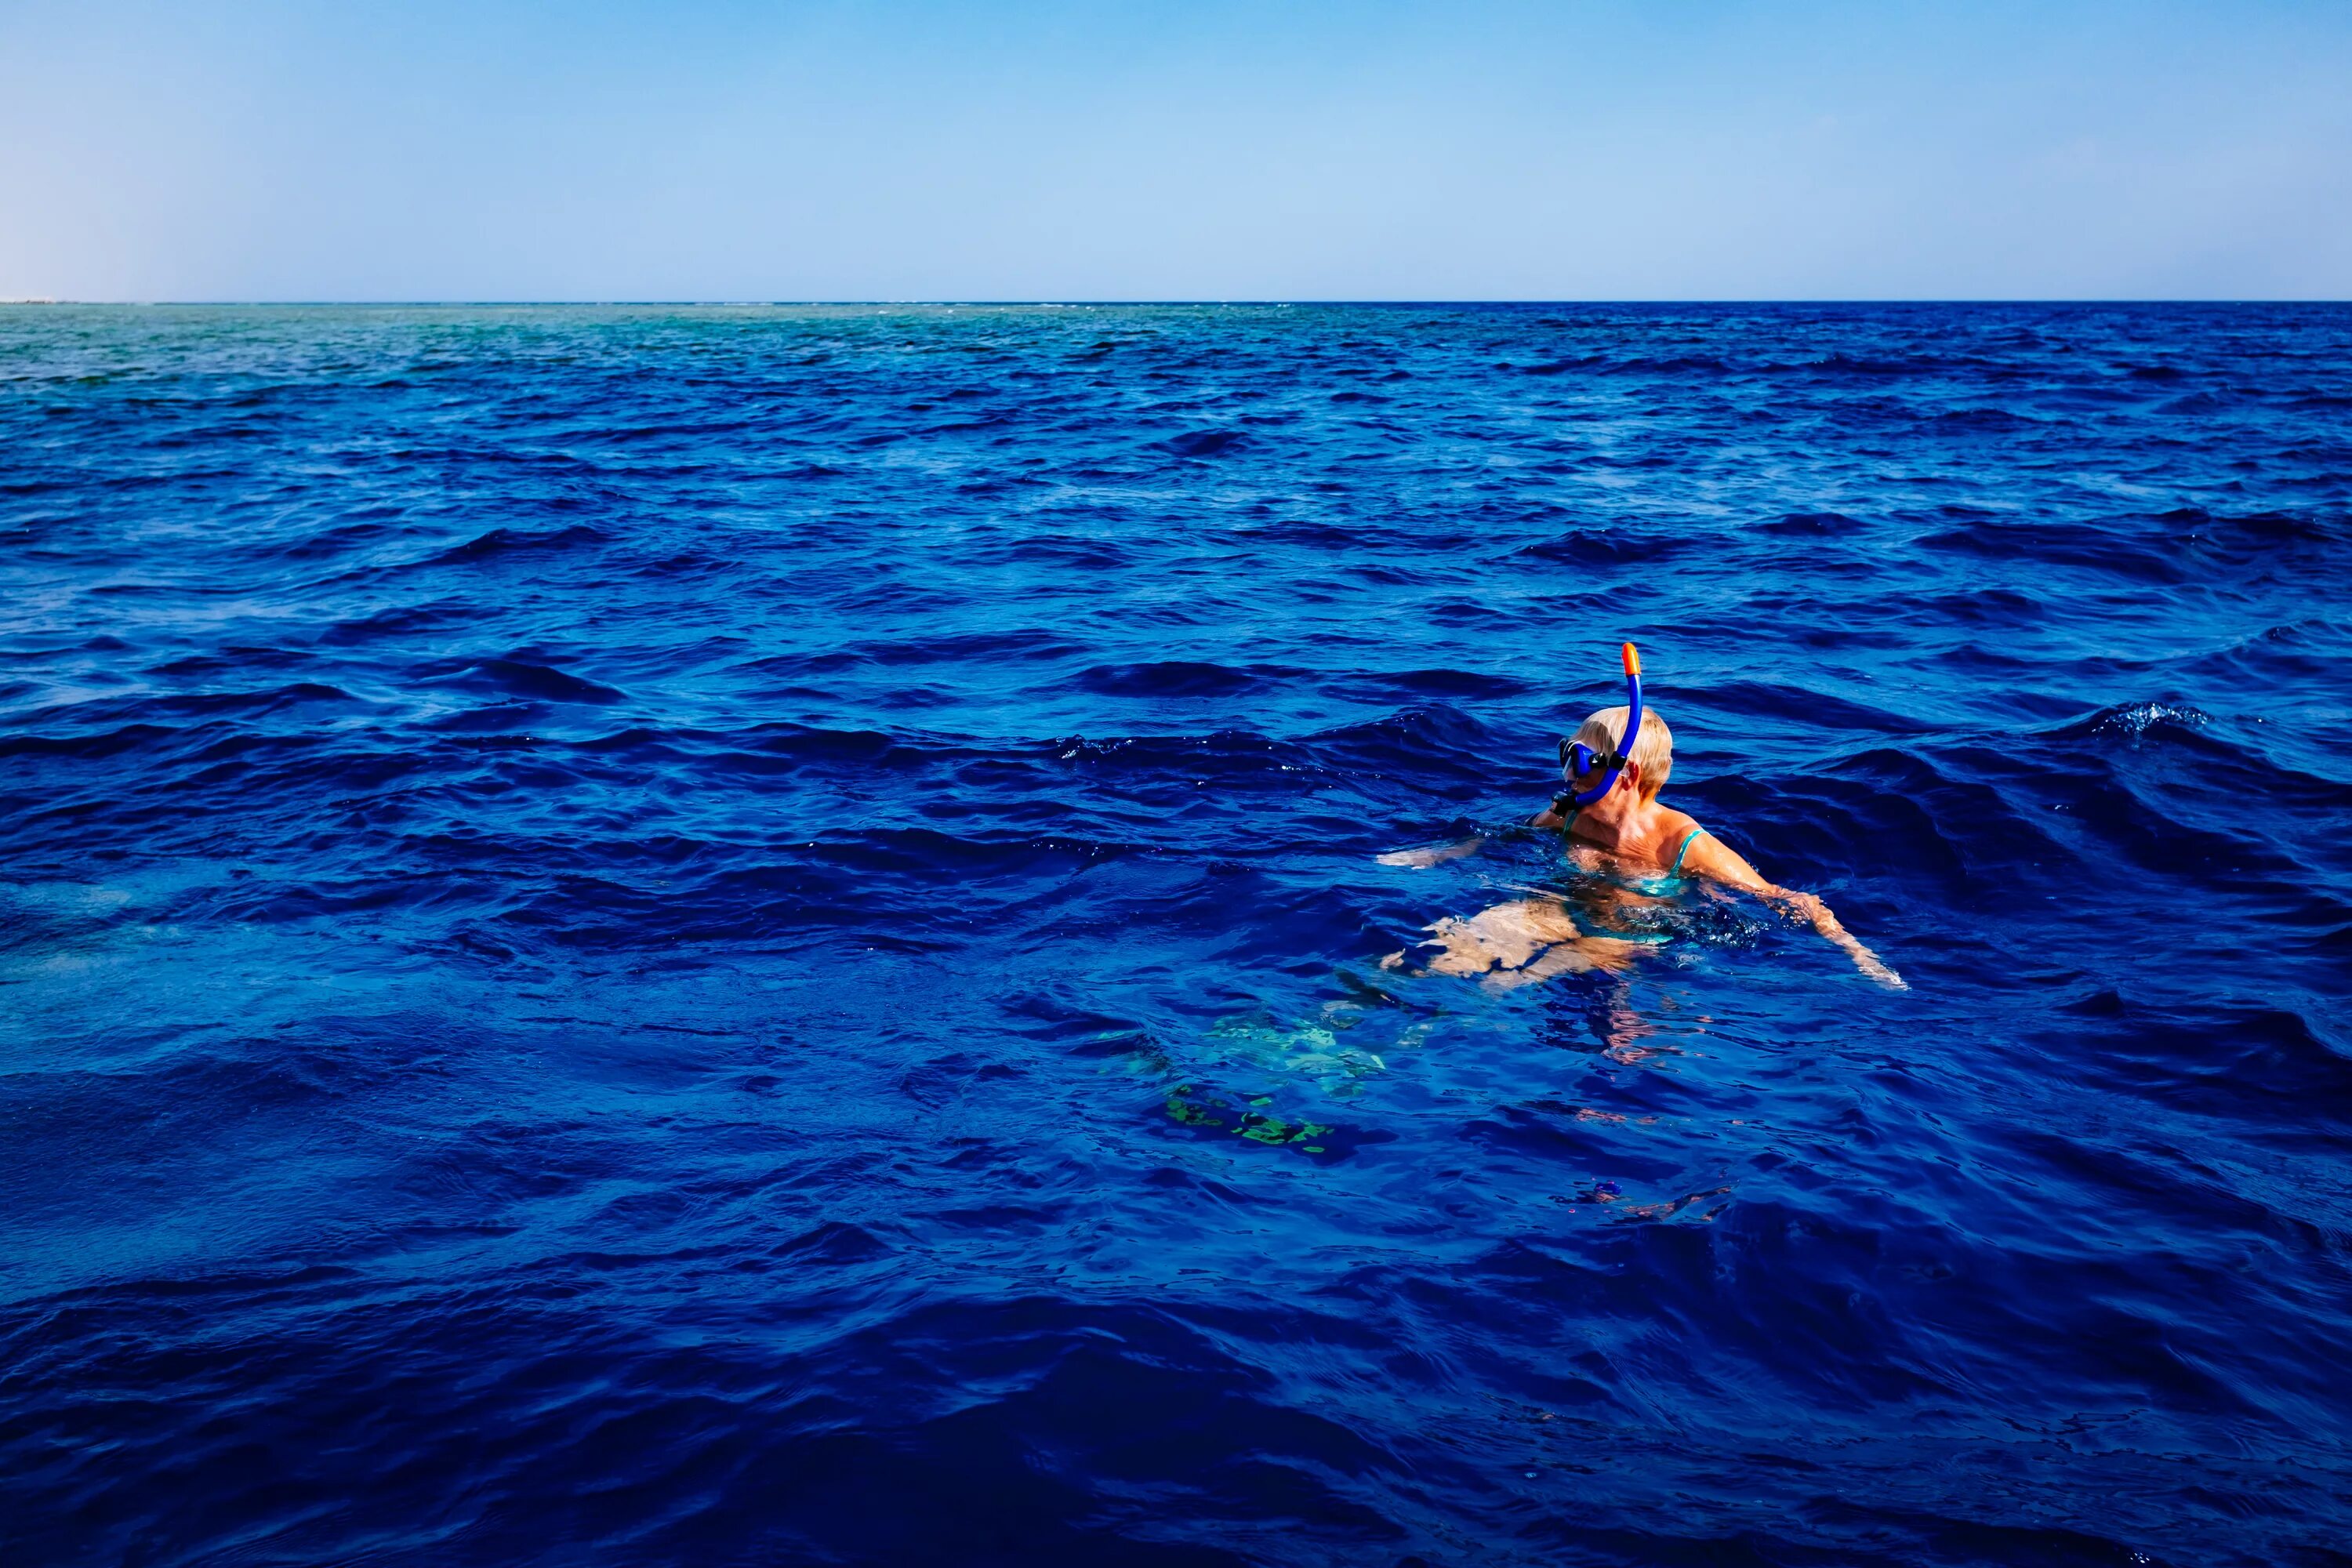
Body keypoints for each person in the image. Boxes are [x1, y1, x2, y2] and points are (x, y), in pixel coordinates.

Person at [1381, 700, 1905, 990]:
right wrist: (1434, 855)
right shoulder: (1567, 814)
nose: (1567, 771)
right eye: (1566, 754)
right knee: (1441, 948)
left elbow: (1788, 900)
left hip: (1633, 936)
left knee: (1500, 986)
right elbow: (1502, 837)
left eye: (1582, 761)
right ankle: (1355, 1013)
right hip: (1558, 909)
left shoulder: (1683, 844)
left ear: (1627, 774)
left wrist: (1858, 954)